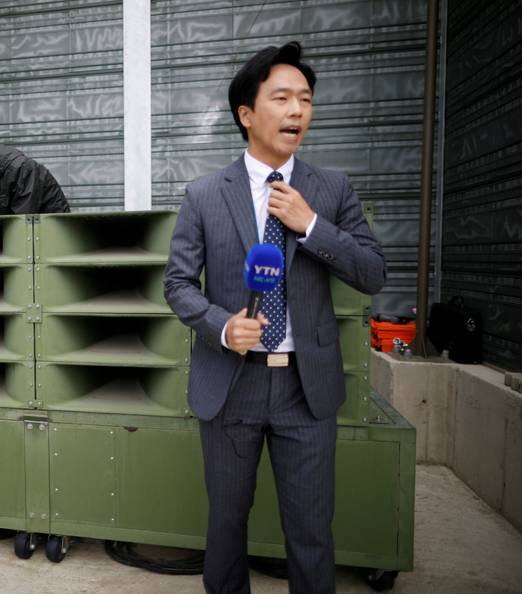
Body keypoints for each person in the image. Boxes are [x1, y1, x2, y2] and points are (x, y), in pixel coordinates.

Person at [163, 42, 385, 593]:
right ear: (247, 114)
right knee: (226, 524)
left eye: (305, 100)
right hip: (230, 385)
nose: (296, 112)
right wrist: (221, 325)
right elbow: (177, 284)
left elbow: (372, 273)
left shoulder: (330, 190)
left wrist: (312, 226)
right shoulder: (205, 195)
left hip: (304, 390)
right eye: (282, 98)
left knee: (311, 532)